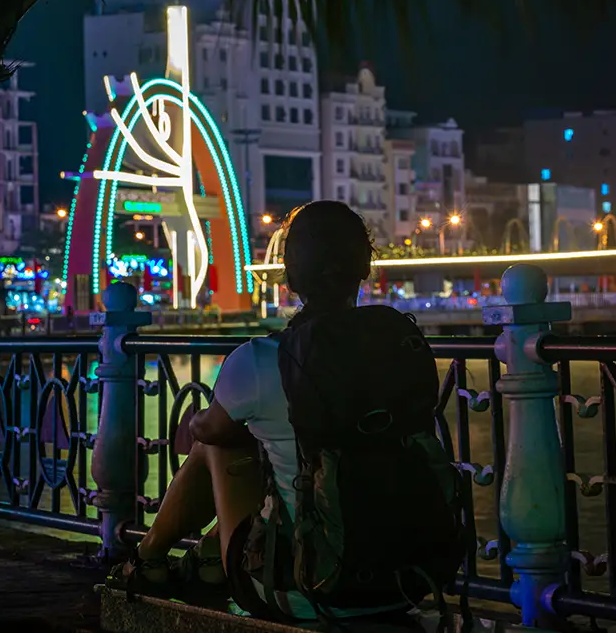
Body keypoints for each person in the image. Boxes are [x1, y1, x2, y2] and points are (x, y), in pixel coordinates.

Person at [108, 201, 463, 622]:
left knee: (220, 443)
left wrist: (197, 425)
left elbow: (209, 430)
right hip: (409, 583)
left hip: (306, 589)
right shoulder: (403, 351)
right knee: (277, 446)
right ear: (365, 269)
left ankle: (148, 558)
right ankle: (198, 560)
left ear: (291, 277)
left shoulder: (263, 359)